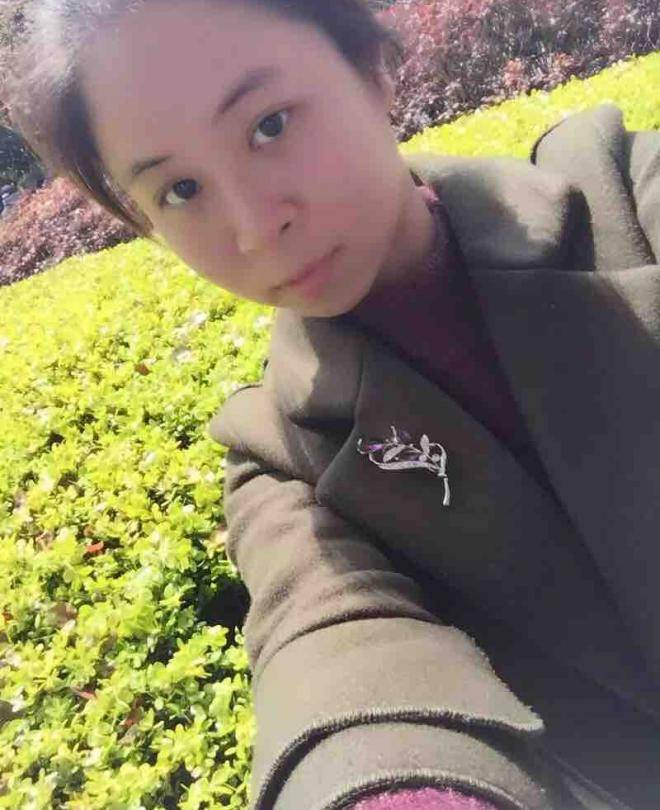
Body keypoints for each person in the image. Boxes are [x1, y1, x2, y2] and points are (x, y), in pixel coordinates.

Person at [7, 1, 660, 807]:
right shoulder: (283, 465)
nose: (255, 228)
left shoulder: (622, 193)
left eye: (270, 125)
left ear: (370, 66)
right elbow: (337, 660)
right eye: (180, 189)